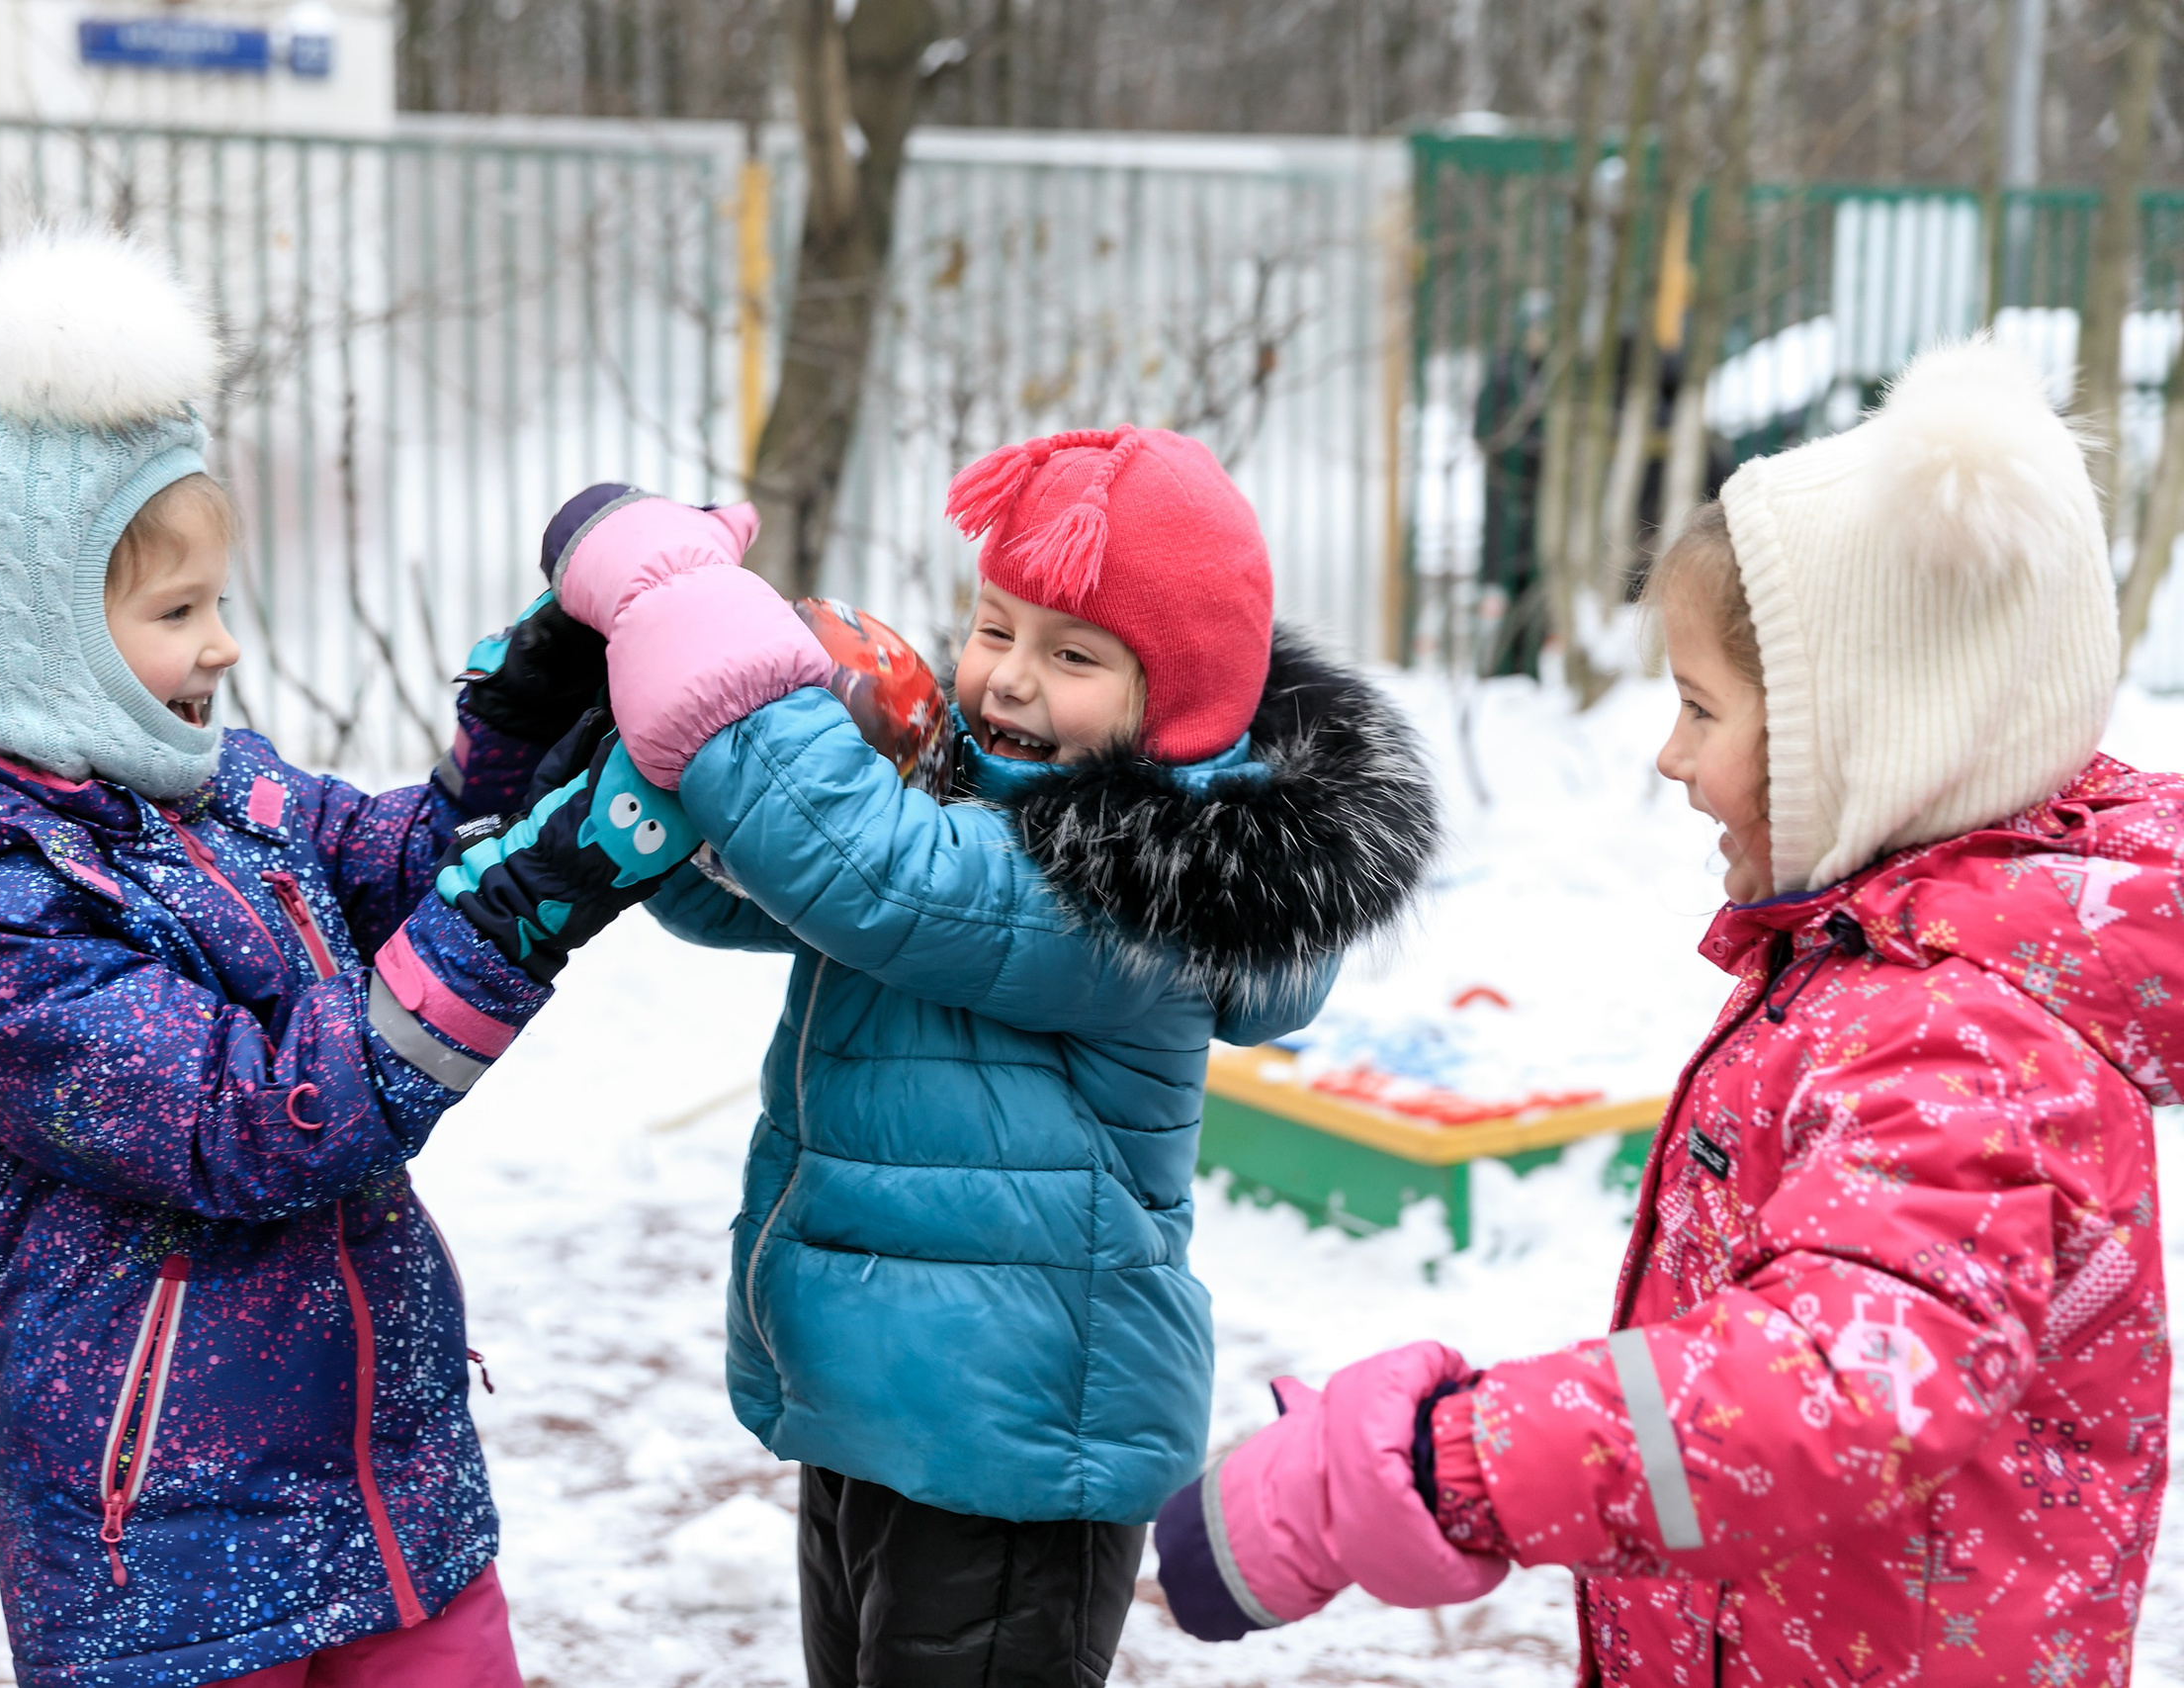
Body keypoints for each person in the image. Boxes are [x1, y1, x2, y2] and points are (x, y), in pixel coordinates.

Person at [1153, 339, 2172, 1687]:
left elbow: (1830, 1385)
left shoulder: (1960, 1037)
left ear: (1869, 738)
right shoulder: (1895, 968)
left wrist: (1433, 1461)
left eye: (1700, 708)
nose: (1668, 755)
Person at [0, 230, 682, 1687]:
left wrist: (526, 740)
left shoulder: (212, 789)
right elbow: (254, 1119)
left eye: (218, 601)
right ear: (28, 642)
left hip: (380, 1473)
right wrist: (520, 914)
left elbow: (391, 868)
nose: (223, 647)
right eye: (176, 613)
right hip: (166, 1544)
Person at [536, 427, 1443, 1685]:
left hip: (1017, 1450)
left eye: (1072, 656)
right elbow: (741, 887)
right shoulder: (970, 800)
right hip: (880, 1403)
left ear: (1174, 705)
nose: (1009, 679)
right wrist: (621, 717)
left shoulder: (1135, 887)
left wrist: (701, 638)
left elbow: (864, 871)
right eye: (994, 626)